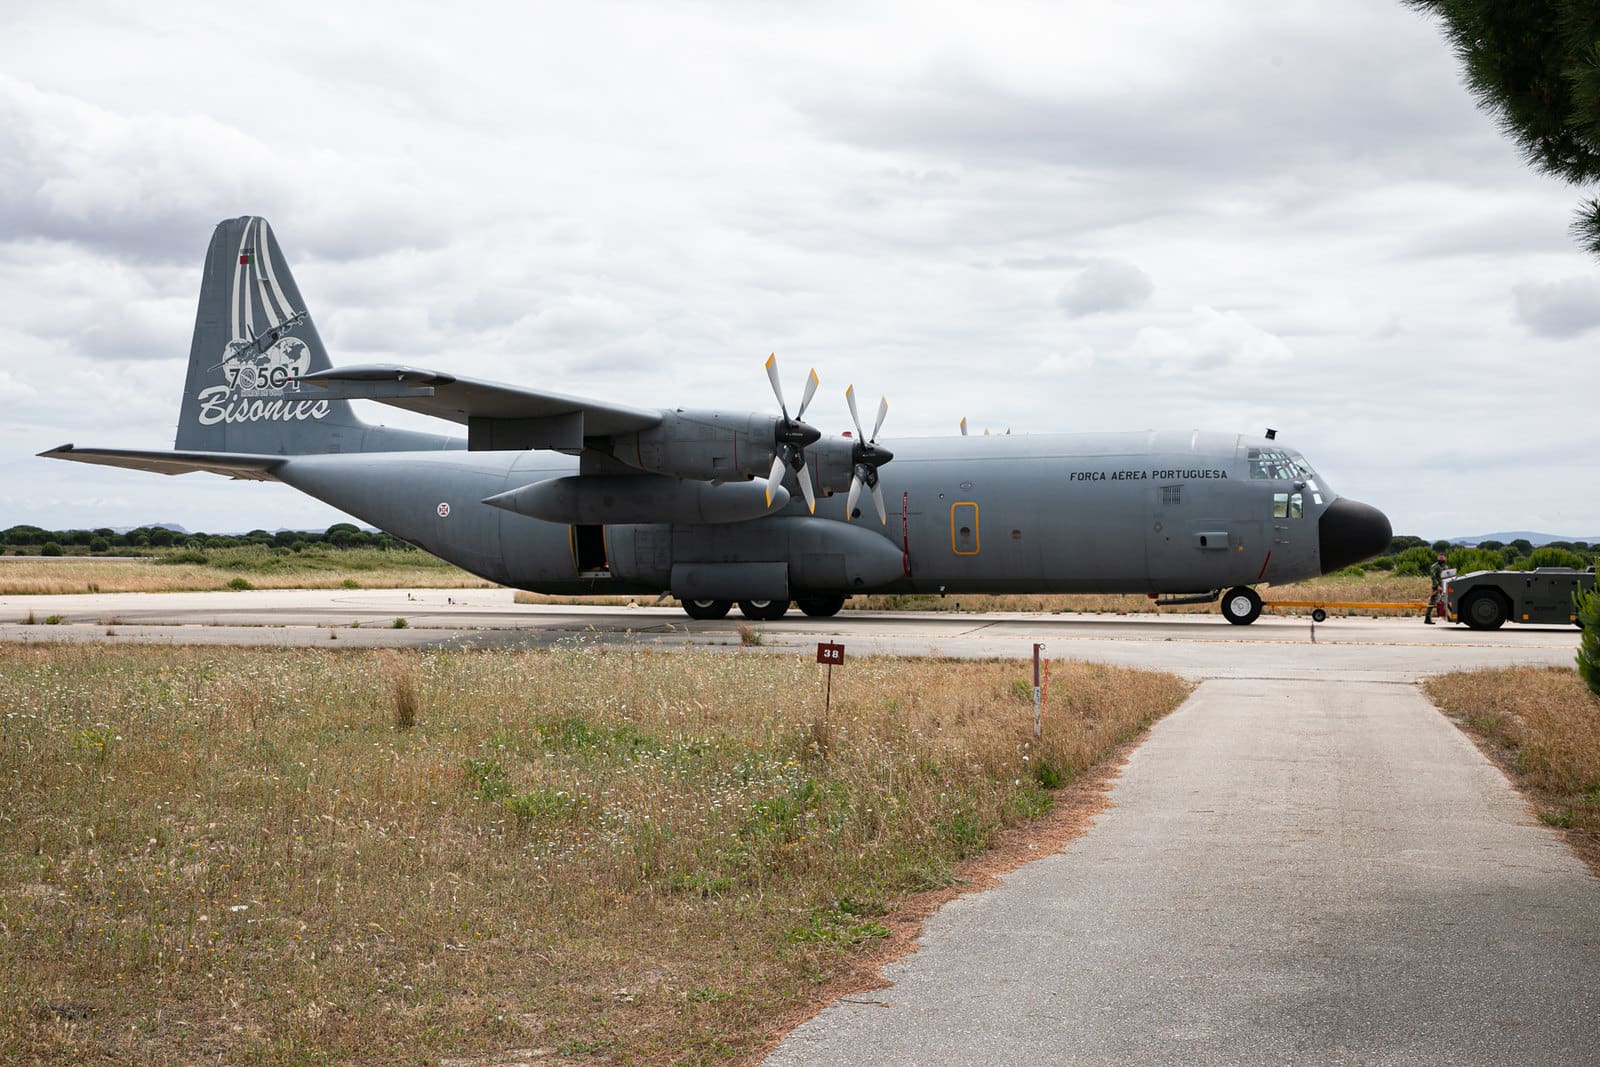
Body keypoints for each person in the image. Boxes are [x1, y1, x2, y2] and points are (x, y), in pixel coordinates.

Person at [1426, 552, 1448, 624]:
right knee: (1432, 602)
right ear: (1437, 558)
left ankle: (1446, 615)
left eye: (1442, 557)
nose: (1441, 559)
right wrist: (1437, 586)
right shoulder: (1435, 566)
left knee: (1445, 601)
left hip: (1444, 586)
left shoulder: (1445, 566)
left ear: (1445, 558)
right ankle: (1427, 618)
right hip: (1437, 587)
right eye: (1440, 557)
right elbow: (1433, 576)